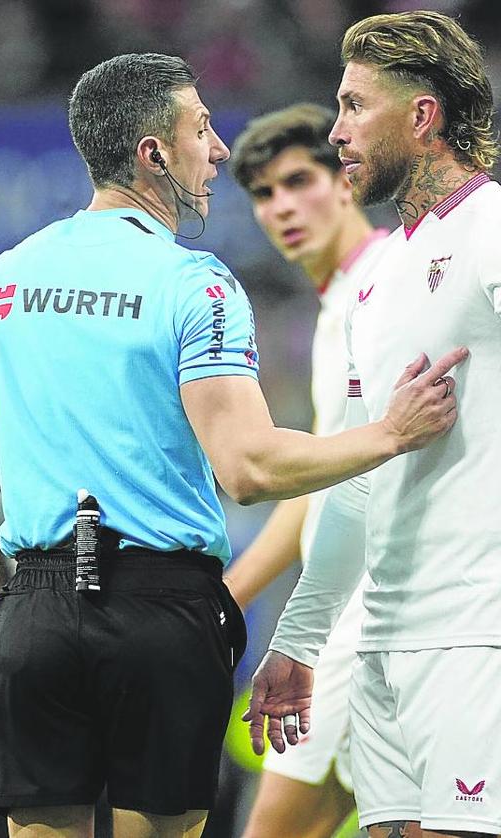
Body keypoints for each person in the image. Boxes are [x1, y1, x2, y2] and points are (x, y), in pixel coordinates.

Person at [0, 52, 464, 838]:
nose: (218, 150)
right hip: (160, 608)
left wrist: (21, 606)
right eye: (203, 129)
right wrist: (389, 433)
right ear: (154, 153)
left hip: (37, 607)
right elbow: (248, 469)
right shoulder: (196, 283)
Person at [247, 11, 501, 838]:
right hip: (383, 647)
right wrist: (299, 638)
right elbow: (352, 487)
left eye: (355, 106)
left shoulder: (492, 229)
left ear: (423, 117)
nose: (337, 130)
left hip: (475, 635)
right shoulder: (375, 284)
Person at [226, 103, 390, 838]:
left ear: (348, 180)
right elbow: (324, 481)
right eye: (264, 194)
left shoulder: (390, 284)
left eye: (299, 181)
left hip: (384, 614)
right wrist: (230, 594)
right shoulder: (336, 308)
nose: (282, 206)